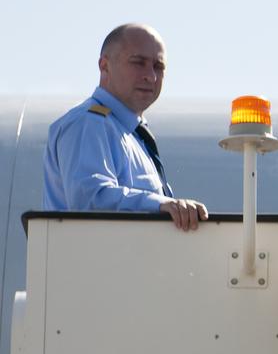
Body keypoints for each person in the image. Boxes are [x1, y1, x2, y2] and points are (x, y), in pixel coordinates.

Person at [43, 23, 208, 231]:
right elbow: (90, 200)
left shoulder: (133, 135)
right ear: (105, 66)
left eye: (159, 66)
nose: (151, 76)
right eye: (139, 63)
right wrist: (160, 205)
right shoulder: (88, 123)